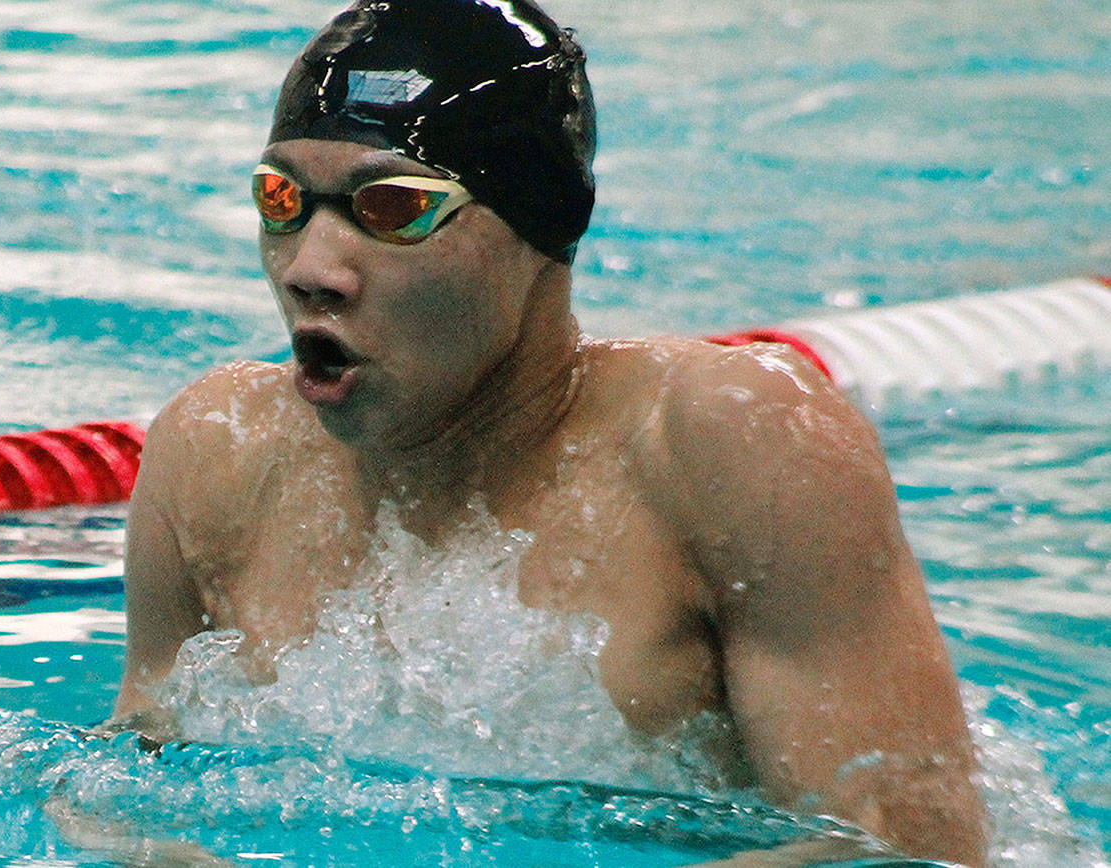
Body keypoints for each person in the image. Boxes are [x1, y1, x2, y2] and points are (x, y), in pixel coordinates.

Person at [114, 0, 986, 863]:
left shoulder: (728, 440)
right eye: (283, 200)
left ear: (539, 225)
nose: (309, 267)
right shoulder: (216, 452)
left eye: (391, 208)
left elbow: (904, 842)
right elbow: (121, 791)